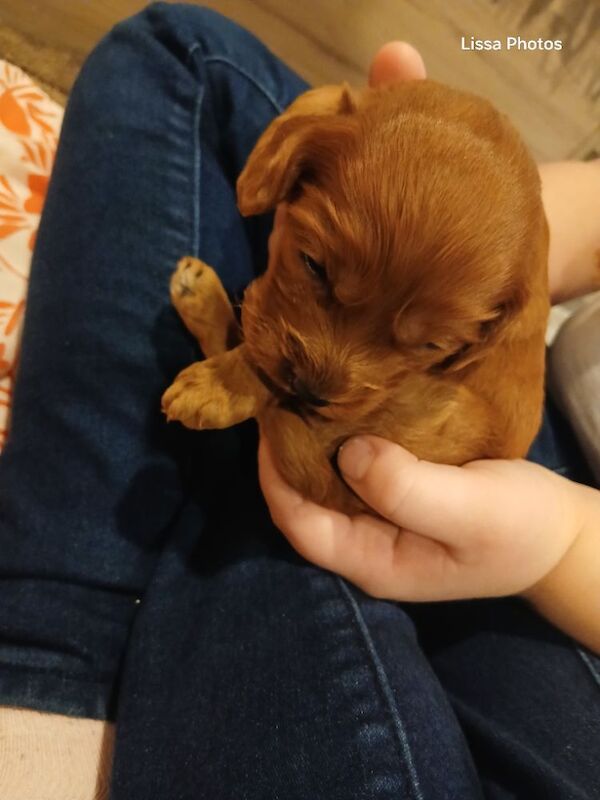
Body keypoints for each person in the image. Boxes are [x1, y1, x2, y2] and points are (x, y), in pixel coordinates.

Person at [0, 4, 598, 799]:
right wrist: (471, 224)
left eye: (416, 339)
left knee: (263, 555)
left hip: (547, 578)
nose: (323, 371)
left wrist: (561, 543)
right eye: (318, 271)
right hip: (516, 373)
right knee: (179, 51)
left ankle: (49, 691)